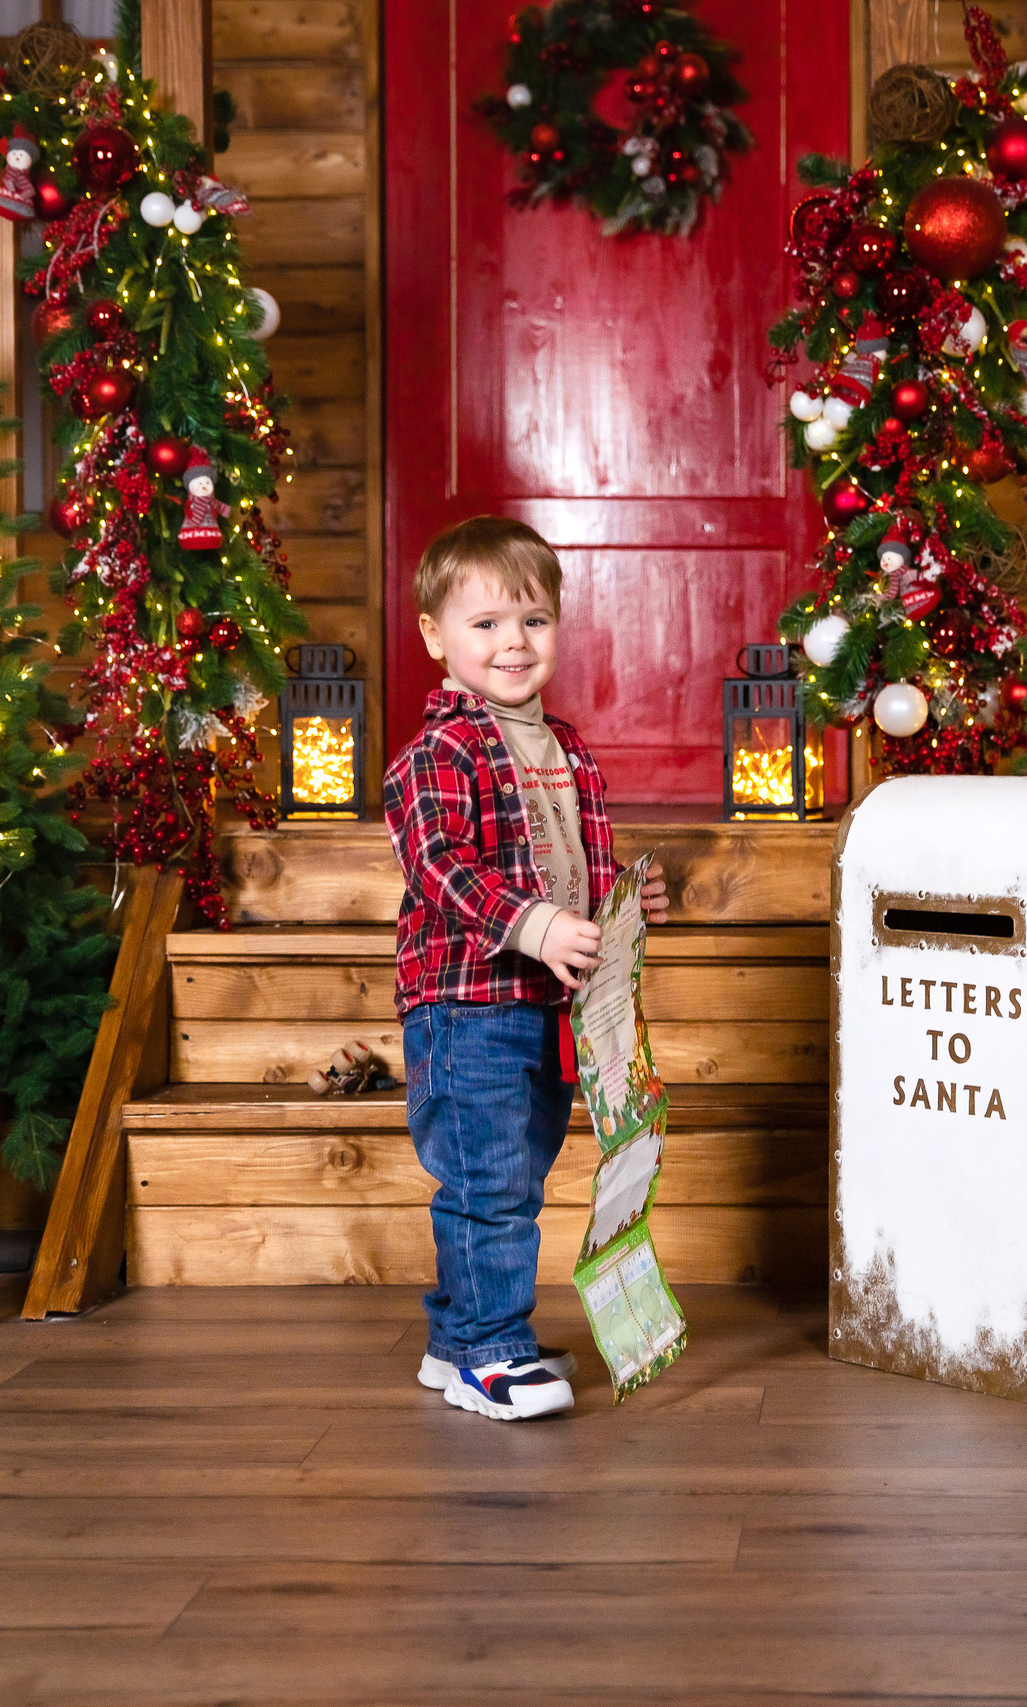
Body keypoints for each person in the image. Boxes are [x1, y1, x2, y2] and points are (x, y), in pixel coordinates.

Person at [384, 517, 669, 1420]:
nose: (514, 643)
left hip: (549, 1004)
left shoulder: (567, 748)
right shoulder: (439, 753)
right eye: (486, 625)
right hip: (466, 1005)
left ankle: (458, 1336)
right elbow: (441, 868)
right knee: (488, 1181)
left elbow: (572, 862)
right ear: (435, 636)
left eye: (534, 622)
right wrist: (538, 924)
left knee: (518, 1168)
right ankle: (491, 1355)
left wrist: (622, 905)